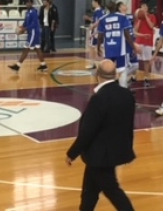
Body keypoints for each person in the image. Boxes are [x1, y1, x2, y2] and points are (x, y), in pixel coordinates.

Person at [65, 59, 136, 211]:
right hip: (113, 151)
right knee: (89, 191)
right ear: (116, 75)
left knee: (113, 190)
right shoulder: (127, 95)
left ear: (97, 75)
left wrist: (72, 153)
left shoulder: (99, 99)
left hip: (101, 155)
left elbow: (88, 131)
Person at [97, 2, 139, 89]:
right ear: (116, 7)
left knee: (107, 71)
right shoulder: (122, 17)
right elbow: (127, 35)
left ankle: (106, 89)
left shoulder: (103, 19)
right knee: (122, 71)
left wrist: (98, 47)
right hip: (120, 50)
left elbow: (100, 36)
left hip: (108, 49)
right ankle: (122, 90)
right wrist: (134, 47)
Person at [8, 0, 48, 73]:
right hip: (32, 33)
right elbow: (26, 22)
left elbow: (34, 24)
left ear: (32, 3)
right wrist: (22, 27)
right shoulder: (27, 12)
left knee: (26, 49)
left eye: (29, 2)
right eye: (26, 2)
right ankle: (43, 65)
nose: (27, 4)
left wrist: (25, 29)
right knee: (37, 49)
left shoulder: (34, 12)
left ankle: (17, 66)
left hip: (33, 33)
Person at [132, 3, 157, 87]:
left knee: (146, 61)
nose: (143, 8)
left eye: (145, 7)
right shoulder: (138, 18)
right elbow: (135, 30)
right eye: (142, 7)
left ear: (147, 8)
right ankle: (134, 76)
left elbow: (151, 26)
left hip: (148, 41)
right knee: (136, 60)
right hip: (139, 41)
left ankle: (146, 78)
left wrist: (145, 16)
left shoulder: (152, 16)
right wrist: (140, 19)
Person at [117, 2, 140, 82]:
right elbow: (124, 35)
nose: (125, 6)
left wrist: (139, 18)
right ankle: (121, 82)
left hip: (132, 44)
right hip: (125, 46)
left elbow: (133, 30)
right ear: (119, 8)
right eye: (123, 5)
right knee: (126, 66)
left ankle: (121, 79)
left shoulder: (129, 17)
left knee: (136, 65)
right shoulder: (119, 18)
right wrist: (134, 44)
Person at [84, 0, 105, 70]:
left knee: (94, 48)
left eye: (93, 2)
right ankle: (96, 63)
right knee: (96, 48)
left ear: (96, 2)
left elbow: (99, 22)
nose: (92, 3)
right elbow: (95, 20)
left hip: (96, 32)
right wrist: (89, 19)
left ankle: (96, 63)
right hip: (98, 32)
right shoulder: (99, 11)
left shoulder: (98, 11)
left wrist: (92, 28)